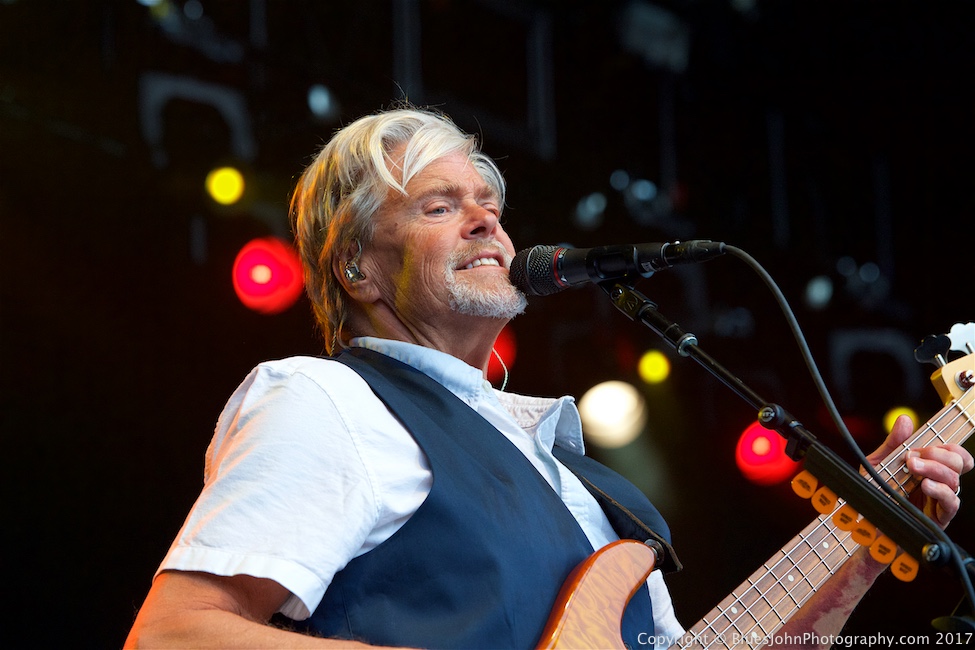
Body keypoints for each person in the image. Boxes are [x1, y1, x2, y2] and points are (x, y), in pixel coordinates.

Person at [125, 106, 973, 649]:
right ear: (356, 267)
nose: (486, 218)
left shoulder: (583, 487)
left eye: (487, 201)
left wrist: (868, 542)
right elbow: (176, 636)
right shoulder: (329, 399)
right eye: (437, 204)